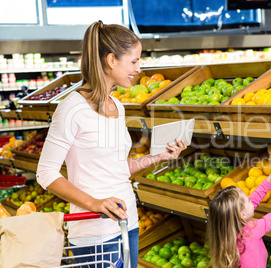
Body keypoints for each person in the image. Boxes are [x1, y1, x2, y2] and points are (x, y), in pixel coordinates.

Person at [36, 20, 187, 268]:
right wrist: (95, 203)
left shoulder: (117, 105)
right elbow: (45, 173)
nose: (138, 69)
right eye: (134, 61)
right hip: (94, 231)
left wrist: (159, 156)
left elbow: (115, 168)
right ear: (111, 60)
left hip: (128, 223)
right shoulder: (72, 107)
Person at [207, 164, 271, 268]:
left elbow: (252, 201)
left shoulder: (226, 233)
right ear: (242, 214)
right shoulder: (252, 231)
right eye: (248, 200)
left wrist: (270, 178)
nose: (251, 201)